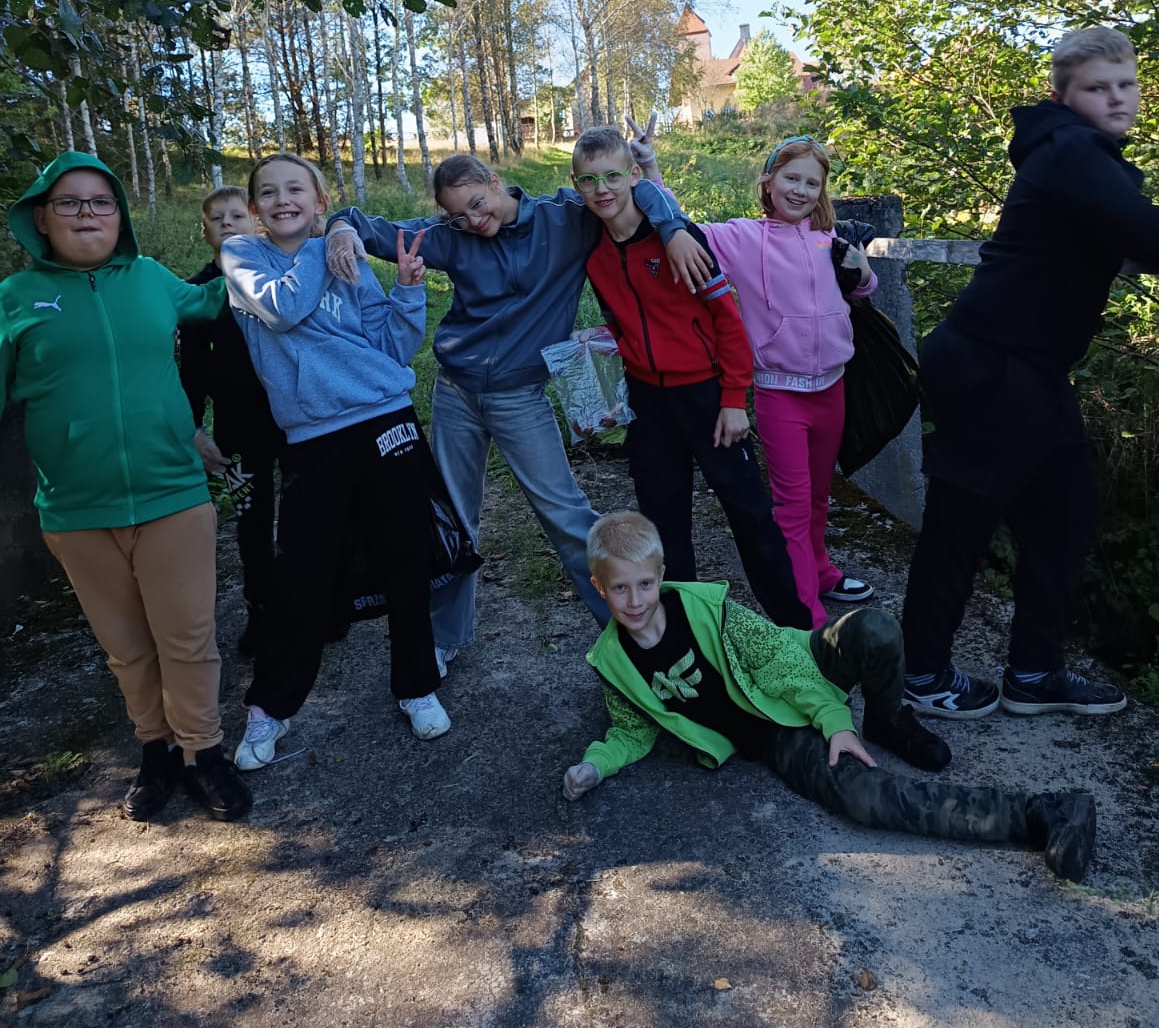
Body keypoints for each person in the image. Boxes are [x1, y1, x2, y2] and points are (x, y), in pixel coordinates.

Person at [322, 130, 712, 665]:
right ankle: (445, 638)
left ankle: (636, 636)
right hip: (456, 392)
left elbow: (634, 192)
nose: (472, 221)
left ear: (495, 181)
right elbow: (376, 229)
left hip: (519, 397)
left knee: (566, 515)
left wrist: (672, 228)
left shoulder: (565, 219)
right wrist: (341, 227)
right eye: (457, 215)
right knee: (453, 519)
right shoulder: (451, 236)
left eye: (477, 204)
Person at [900, 27, 1159, 720]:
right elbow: (1148, 232)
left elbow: (1135, 231)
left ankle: (1034, 672)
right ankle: (922, 674)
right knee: (961, 525)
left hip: (1028, 371)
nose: (1117, 99)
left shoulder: (1074, 153)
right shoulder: (1071, 149)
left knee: (1065, 514)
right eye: (1098, 88)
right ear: (1064, 97)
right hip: (992, 367)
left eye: (1126, 84)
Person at [562, 511, 1099, 884]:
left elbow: (777, 660)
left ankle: (886, 720)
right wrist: (595, 765)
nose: (635, 601)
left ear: (661, 576)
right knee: (865, 799)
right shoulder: (612, 662)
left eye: (644, 584)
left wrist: (835, 719)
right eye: (619, 588)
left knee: (875, 628)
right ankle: (1040, 813)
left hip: (803, 668)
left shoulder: (707, 607)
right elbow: (631, 728)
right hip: (774, 735)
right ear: (599, 586)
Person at [0, 152, 252, 822]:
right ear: (41, 218)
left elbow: (211, 300)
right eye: (70, 202)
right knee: (127, 646)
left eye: (101, 202)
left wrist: (266, 242)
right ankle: (156, 750)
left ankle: (203, 752)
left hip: (173, 490)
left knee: (188, 636)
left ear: (120, 216)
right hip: (77, 509)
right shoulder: (14, 299)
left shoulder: (149, 277)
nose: (87, 214)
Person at [220, 152, 448, 769]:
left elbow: (391, 346)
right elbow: (282, 309)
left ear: (319, 201)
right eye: (270, 192)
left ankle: (417, 684)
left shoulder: (347, 258)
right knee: (300, 574)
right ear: (256, 209)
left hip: (386, 419)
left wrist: (407, 291)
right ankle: (271, 706)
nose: (283, 200)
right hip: (314, 436)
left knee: (405, 557)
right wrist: (332, 241)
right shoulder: (243, 257)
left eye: (297, 189)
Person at [571, 126, 810, 630]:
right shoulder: (592, 251)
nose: (602, 190)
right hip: (648, 403)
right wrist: (610, 382)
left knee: (750, 515)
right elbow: (622, 322)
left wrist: (733, 399)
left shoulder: (677, 239)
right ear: (577, 186)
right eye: (589, 181)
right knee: (664, 526)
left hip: (707, 396)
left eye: (613, 176)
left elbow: (728, 320)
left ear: (634, 175)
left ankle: (796, 630)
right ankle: (686, 634)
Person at [697, 135, 877, 627]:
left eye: (811, 183)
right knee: (792, 505)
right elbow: (684, 230)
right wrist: (649, 172)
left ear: (822, 191)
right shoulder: (743, 238)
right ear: (768, 181)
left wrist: (863, 273)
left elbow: (863, 289)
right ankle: (807, 619)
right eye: (791, 178)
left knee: (819, 494)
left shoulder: (828, 239)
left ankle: (820, 571)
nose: (800, 190)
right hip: (781, 394)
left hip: (832, 388)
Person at [180, 186, 287, 658]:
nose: (227, 223)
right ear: (204, 231)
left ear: (257, 223)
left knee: (309, 512)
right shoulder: (196, 293)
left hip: (296, 416)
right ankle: (262, 609)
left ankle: (323, 601)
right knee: (251, 518)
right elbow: (190, 369)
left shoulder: (279, 272)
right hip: (237, 426)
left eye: (237, 215)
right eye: (216, 218)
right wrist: (194, 428)